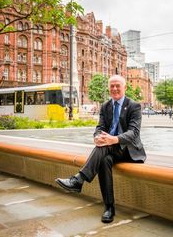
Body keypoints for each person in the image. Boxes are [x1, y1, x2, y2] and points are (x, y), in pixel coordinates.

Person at [55, 75, 146, 224]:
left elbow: (133, 133)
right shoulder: (105, 106)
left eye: (118, 86)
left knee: (106, 145)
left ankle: (79, 180)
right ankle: (109, 208)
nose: (115, 89)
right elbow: (100, 128)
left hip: (129, 150)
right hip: (109, 150)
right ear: (109, 88)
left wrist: (114, 139)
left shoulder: (134, 106)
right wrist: (97, 137)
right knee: (104, 160)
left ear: (125, 88)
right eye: (112, 86)